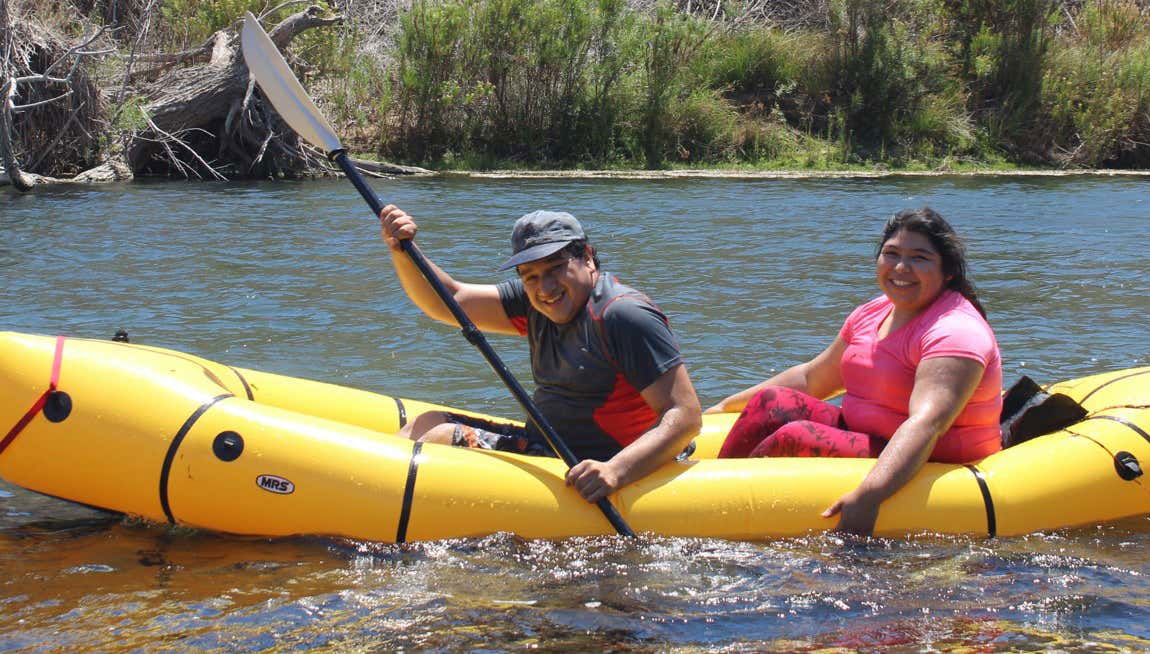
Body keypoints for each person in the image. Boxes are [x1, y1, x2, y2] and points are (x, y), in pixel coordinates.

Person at [706, 207, 1002, 536]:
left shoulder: (953, 331)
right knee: (773, 401)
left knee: (796, 437)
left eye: (919, 258)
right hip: (872, 436)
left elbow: (927, 424)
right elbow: (812, 378)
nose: (901, 267)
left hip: (937, 459)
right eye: (891, 254)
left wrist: (870, 495)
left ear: (947, 272)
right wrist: (722, 407)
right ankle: (706, 486)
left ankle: (719, 513)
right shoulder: (874, 312)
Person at [379, 205, 702, 504]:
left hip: (602, 461)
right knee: (426, 423)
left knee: (441, 437)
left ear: (587, 257)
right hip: (548, 446)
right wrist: (402, 250)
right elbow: (451, 300)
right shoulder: (533, 302)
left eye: (556, 268)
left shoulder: (623, 316)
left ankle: (380, 505)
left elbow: (685, 416)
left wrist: (616, 471)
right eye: (530, 275)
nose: (545, 288)